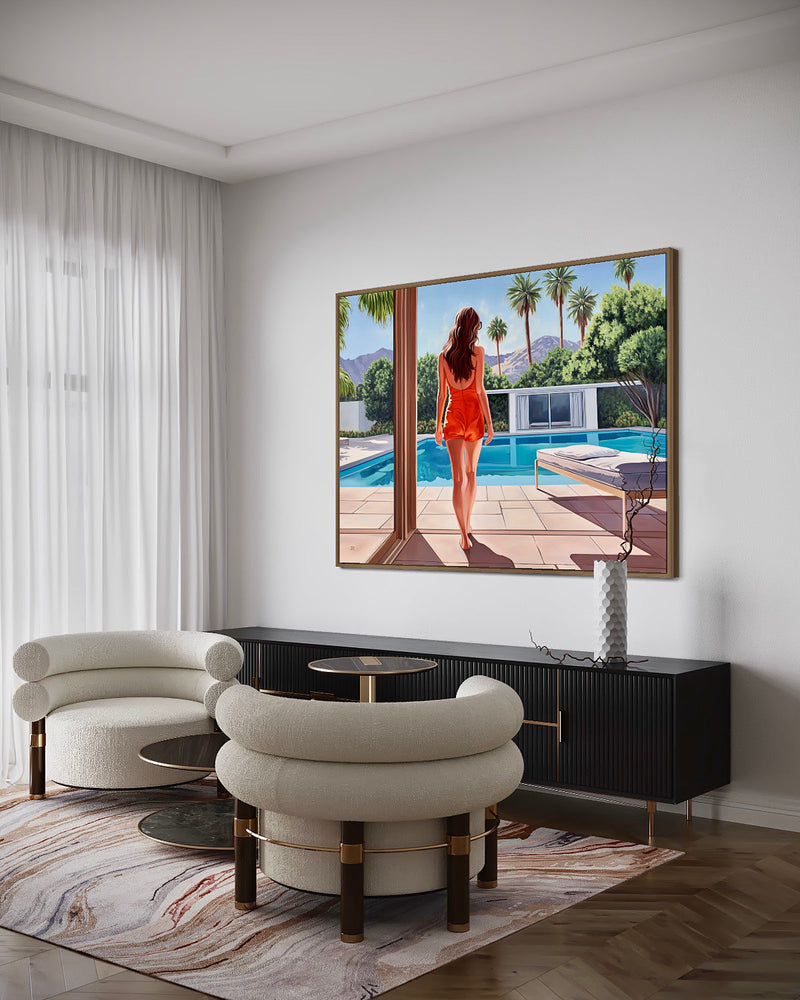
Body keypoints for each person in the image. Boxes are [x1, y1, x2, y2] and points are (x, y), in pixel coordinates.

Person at [434, 306, 494, 550]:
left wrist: (438, 426)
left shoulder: (443, 356)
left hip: (454, 418)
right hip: (474, 418)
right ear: (473, 328)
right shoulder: (478, 353)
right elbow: (480, 391)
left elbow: (441, 394)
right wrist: (490, 425)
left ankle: (462, 534)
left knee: (457, 479)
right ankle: (467, 524)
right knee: (471, 475)